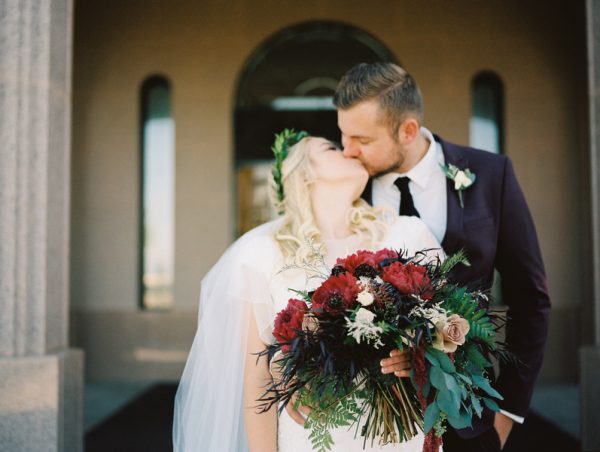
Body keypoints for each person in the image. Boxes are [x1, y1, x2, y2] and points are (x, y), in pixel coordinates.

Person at [330, 62, 551, 452]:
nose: (347, 150)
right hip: (367, 426)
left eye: (361, 139)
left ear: (408, 130)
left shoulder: (490, 175)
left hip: (469, 420)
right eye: (343, 135)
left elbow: (530, 298)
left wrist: (506, 413)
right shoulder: (343, 186)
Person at [172, 134, 443, 451]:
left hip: (400, 438)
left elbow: (450, 339)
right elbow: (258, 379)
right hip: (311, 438)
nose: (349, 151)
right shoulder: (262, 255)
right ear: (303, 175)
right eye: (331, 148)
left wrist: (417, 355)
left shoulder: (409, 234)